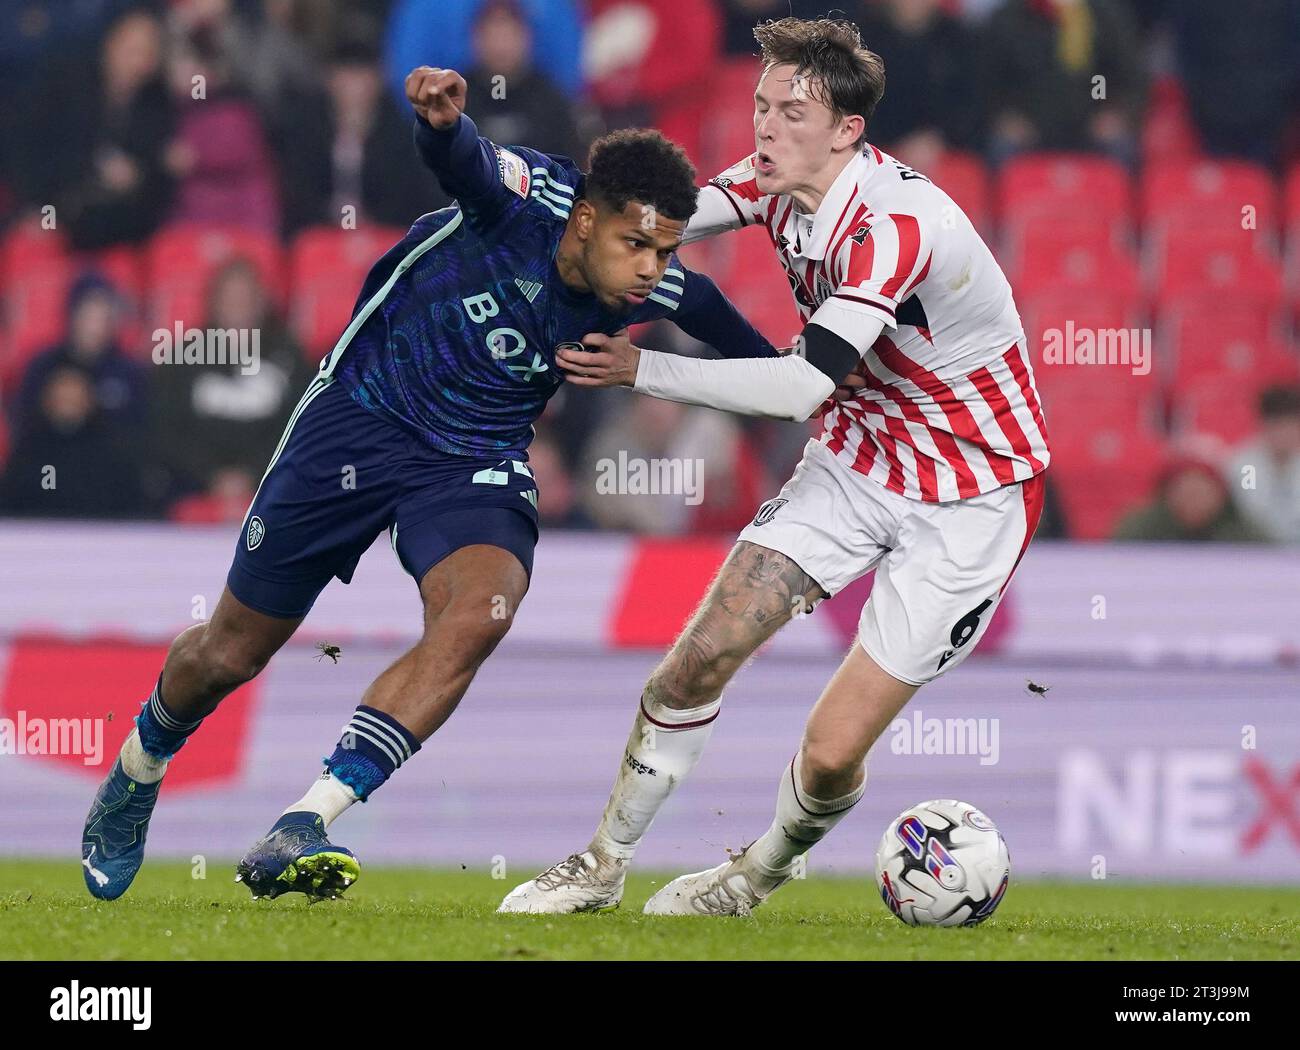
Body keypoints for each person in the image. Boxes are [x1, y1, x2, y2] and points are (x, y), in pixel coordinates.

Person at [80, 64, 778, 903]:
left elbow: (767, 369)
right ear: (585, 220)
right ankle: (138, 768)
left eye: (665, 249)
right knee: (229, 652)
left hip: (473, 457)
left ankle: (309, 817)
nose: (650, 270)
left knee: (483, 610)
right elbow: (468, 166)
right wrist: (442, 123)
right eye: (636, 246)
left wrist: (813, 379)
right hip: (360, 418)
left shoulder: (655, 281)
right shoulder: (524, 199)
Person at [502, 17, 1050, 917]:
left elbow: (801, 386)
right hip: (859, 456)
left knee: (833, 752)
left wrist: (646, 368)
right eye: (760, 105)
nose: (764, 127)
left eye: (791, 112)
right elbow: (663, 221)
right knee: (695, 659)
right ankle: (600, 865)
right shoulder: (774, 181)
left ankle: (755, 874)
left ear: (846, 131)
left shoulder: (893, 227)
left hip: (970, 491)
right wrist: (529, 196)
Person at [1228, 385, 1300, 544]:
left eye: (1290, 426)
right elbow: (1251, 509)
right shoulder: (1246, 465)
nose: (1284, 434)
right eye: (1278, 426)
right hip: (1257, 547)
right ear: (1263, 426)